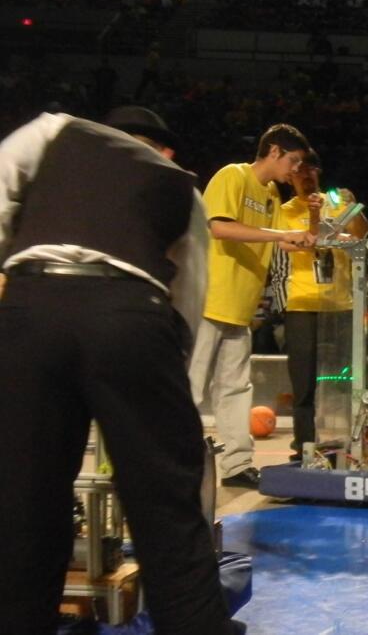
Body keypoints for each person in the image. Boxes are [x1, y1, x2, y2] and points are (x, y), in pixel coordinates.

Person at [0, 107, 238, 633]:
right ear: (161, 148)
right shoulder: (183, 188)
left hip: (34, 301)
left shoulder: (54, 129)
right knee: (170, 516)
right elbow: (187, 305)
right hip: (133, 314)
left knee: (22, 506)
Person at [189, 124, 316, 489]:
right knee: (191, 387)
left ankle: (235, 465)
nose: (294, 169)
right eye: (292, 160)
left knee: (235, 388)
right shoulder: (234, 175)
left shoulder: (272, 195)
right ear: (274, 151)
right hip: (209, 299)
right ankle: (175, 461)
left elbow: (282, 243)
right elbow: (220, 228)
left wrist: (309, 235)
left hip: (240, 307)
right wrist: (280, 235)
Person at [268, 149, 368, 462]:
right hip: (302, 304)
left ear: (319, 173)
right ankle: (303, 446)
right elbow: (290, 242)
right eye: (299, 170)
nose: (306, 175)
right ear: (291, 176)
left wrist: (353, 209)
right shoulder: (283, 210)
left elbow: (364, 235)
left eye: (311, 169)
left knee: (348, 381)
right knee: (304, 383)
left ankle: (349, 444)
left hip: (341, 304)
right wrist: (312, 218)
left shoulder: (337, 201)